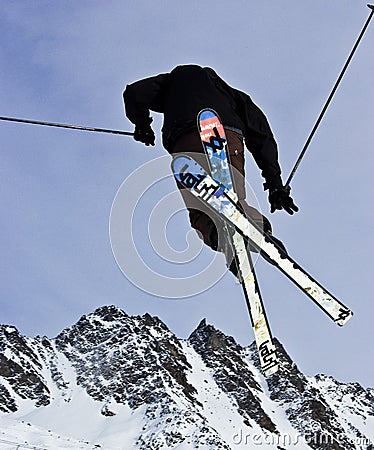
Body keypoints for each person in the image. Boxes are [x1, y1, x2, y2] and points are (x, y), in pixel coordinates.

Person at [123, 64, 298, 273]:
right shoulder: (230, 93)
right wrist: (275, 184)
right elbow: (261, 133)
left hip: (185, 140)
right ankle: (260, 231)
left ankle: (222, 239)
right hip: (228, 135)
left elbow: (133, 93)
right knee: (235, 201)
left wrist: (143, 126)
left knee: (200, 208)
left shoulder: (167, 84)